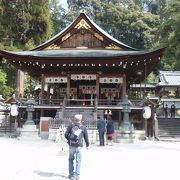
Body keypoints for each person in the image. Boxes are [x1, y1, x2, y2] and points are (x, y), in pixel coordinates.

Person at [65, 114, 89, 180]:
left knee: (70, 159)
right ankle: (76, 175)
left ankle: (70, 174)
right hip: (79, 145)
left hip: (71, 145)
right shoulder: (83, 127)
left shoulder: (71, 126)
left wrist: (69, 140)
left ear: (74, 119)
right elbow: (86, 137)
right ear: (81, 120)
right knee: (78, 160)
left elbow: (66, 134)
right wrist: (87, 145)